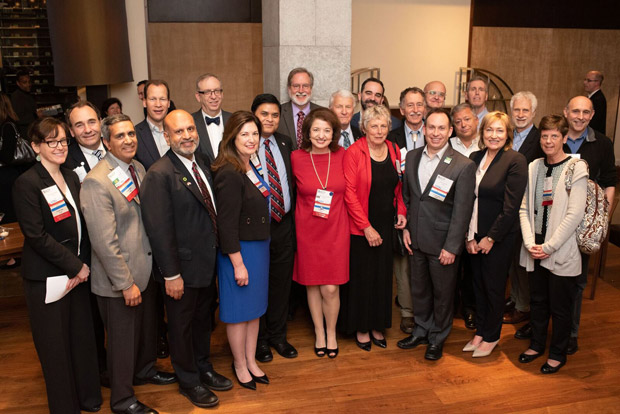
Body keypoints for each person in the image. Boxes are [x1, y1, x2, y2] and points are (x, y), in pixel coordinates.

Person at [81, 114, 176, 414]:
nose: (128, 140)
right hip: (119, 279)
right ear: (106, 142)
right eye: (119, 136)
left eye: (130, 135)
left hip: (145, 269)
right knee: (122, 344)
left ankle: (144, 370)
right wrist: (125, 283)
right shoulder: (96, 182)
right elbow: (104, 242)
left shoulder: (137, 168)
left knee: (146, 332)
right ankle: (122, 400)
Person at [141, 110, 231, 408]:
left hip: (206, 264)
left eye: (190, 129)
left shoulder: (202, 161)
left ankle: (203, 367)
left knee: (203, 321)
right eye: (179, 132)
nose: (187, 135)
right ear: (167, 137)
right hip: (181, 270)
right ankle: (189, 380)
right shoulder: (159, 174)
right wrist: (171, 274)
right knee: (180, 327)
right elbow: (159, 229)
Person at [13, 117, 102, 413]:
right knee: (56, 349)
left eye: (63, 140)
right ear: (36, 146)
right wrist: (75, 266)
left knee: (82, 341)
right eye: (52, 142)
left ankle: (89, 399)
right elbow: (36, 235)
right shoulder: (26, 183)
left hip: (79, 274)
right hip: (48, 280)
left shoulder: (72, 176)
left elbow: (84, 225)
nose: (60, 146)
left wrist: (83, 265)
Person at [398, 108, 476, 361]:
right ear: (424, 129)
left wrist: (452, 247)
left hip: (443, 243)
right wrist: (407, 229)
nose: (435, 133)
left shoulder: (463, 165)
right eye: (431, 127)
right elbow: (409, 199)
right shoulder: (411, 157)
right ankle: (421, 329)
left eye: (442, 128)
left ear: (450, 131)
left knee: (443, 294)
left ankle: (438, 337)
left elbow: (462, 211)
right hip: (416, 239)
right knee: (419, 289)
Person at [518, 114, 588, 374]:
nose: (548, 141)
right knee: (537, 301)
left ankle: (557, 353)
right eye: (545, 136)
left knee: (560, 306)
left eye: (554, 136)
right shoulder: (534, 166)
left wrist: (548, 246)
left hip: (561, 248)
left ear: (565, 138)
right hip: (534, 246)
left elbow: (574, 214)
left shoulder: (576, 167)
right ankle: (536, 345)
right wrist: (529, 242)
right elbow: (524, 207)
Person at [212, 111, 271, 390]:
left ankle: (251, 359)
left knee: (254, 310)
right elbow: (226, 225)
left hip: (258, 249)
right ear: (232, 137)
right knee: (238, 312)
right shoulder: (229, 171)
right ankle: (239, 363)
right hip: (239, 253)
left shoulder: (250, 165)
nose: (251, 139)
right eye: (244, 134)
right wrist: (238, 264)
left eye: (255, 134)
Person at [340, 104, 407, 351]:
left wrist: (401, 210)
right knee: (362, 278)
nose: (379, 131)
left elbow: (399, 185)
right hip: (361, 227)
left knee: (382, 277)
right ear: (364, 128)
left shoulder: (394, 149)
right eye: (373, 125)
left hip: (386, 224)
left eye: (383, 126)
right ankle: (361, 326)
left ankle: (378, 324)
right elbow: (349, 194)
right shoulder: (354, 152)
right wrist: (366, 227)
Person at [463, 111, 527, 357]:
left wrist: (490, 238)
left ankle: (491, 335)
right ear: (482, 132)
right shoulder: (475, 156)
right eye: (489, 130)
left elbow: (510, 208)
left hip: (497, 237)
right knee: (477, 285)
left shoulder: (515, 160)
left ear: (508, 134)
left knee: (493, 287)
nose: (494, 135)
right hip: (474, 234)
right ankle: (480, 331)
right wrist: (470, 237)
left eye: (500, 130)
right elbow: (468, 199)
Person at [292, 108, 349, 358]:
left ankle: (332, 333)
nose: (321, 135)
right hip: (307, 230)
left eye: (327, 130)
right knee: (312, 285)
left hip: (336, 229)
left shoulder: (343, 155)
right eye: (316, 129)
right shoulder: (295, 157)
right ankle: (319, 333)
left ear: (334, 133)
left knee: (331, 288)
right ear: (307, 132)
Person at [562, 96, 616, 355]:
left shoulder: (603, 143)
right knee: (546, 278)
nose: (580, 116)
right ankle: (540, 325)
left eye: (586, 112)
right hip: (555, 221)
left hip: (583, 224)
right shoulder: (554, 138)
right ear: (566, 112)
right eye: (575, 111)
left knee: (577, 281)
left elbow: (609, 183)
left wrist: (601, 222)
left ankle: (570, 333)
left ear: (592, 115)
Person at [251, 94, 299, 363]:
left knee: (282, 285)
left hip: (284, 225)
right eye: (263, 114)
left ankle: (279, 336)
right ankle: (259, 341)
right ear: (254, 115)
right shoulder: (245, 144)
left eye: (274, 115)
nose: (269, 119)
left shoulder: (284, 142)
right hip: (257, 228)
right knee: (259, 285)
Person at [387, 86, 426, 334]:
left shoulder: (436, 134)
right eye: (409, 105)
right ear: (401, 110)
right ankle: (407, 312)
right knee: (402, 258)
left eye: (419, 104)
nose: (414, 109)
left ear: (425, 108)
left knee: (424, 258)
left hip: (429, 205)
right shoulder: (390, 137)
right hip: (399, 203)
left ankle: (425, 309)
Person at [506, 91, 544, 337]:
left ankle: (523, 306)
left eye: (525, 111)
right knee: (511, 257)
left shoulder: (540, 139)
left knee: (523, 259)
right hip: (507, 206)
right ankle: (516, 298)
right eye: (516, 110)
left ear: (533, 113)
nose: (520, 115)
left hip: (528, 208)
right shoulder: (507, 134)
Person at [449, 102, 481, 331]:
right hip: (450, 214)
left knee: (472, 267)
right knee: (450, 265)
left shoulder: (487, 144)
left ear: (477, 120)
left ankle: (469, 308)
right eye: (458, 121)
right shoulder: (447, 145)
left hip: (477, 215)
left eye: (467, 119)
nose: (463, 124)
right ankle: (448, 308)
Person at [277, 67, 322, 149]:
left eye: (305, 86)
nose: (301, 90)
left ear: (311, 88)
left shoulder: (323, 113)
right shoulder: (277, 113)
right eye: (296, 86)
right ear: (289, 88)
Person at [193, 73, 231, 163]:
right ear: (198, 97)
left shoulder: (234, 120)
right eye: (207, 92)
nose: (213, 96)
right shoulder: (189, 123)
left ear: (222, 94)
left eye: (217, 91)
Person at [63, 101, 106, 182]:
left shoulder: (117, 148)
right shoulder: (65, 162)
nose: (87, 130)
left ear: (100, 123)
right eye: (79, 125)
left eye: (92, 122)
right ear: (72, 131)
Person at [135, 80, 172, 171]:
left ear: (168, 103)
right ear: (144, 102)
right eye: (152, 99)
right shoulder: (135, 135)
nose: (158, 104)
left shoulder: (180, 131)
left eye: (162, 99)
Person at [0, 93, 22, 225]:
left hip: (7, 176)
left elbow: (7, 156)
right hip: (6, 175)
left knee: (8, 214)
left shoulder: (8, 126)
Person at [10, 70, 38, 138]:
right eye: (25, 82)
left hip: (31, 130)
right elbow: (18, 118)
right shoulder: (16, 97)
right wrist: (36, 115)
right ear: (18, 83)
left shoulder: (28, 94)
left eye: (29, 82)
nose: (28, 84)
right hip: (24, 133)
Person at [584, 70, 606, 134]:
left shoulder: (598, 99)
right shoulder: (592, 97)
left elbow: (594, 124)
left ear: (597, 83)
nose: (585, 82)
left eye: (589, 80)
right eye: (585, 79)